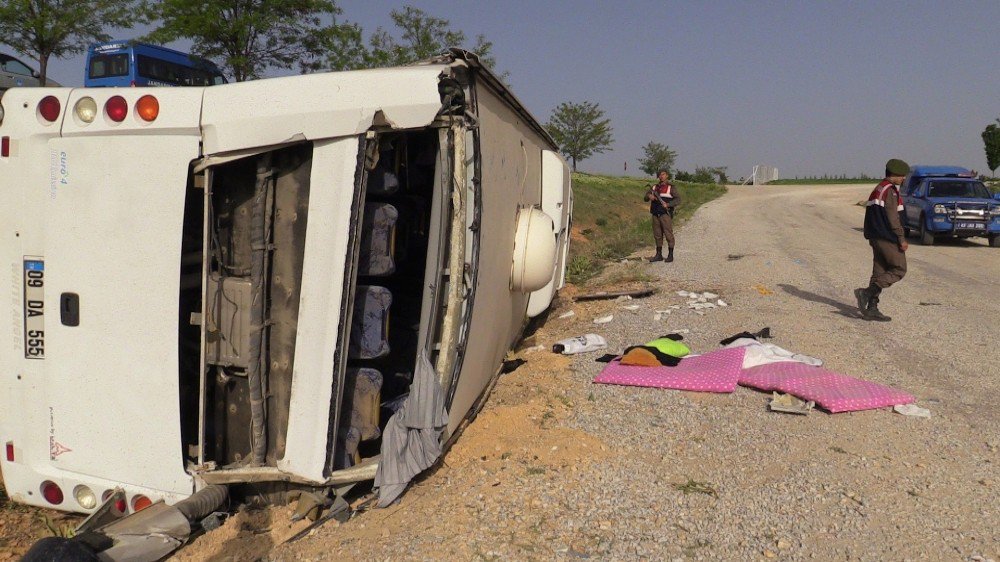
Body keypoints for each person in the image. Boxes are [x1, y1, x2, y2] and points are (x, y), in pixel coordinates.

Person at [855, 158, 909, 321]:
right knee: (899, 269)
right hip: (887, 237)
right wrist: (901, 238)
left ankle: (872, 307)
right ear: (894, 174)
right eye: (902, 176)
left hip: (876, 236)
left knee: (879, 272)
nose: (904, 179)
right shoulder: (890, 191)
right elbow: (893, 218)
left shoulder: (879, 188)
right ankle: (866, 293)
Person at [644, 169, 681, 262]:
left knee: (668, 234)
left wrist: (668, 205)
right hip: (655, 213)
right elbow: (645, 198)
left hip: (665, 214)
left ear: (667, 175)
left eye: (663, 174)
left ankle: (670, 255)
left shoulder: (671, 187)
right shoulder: (654, 187)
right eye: (659, 175)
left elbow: (678, 200)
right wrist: (649, 196)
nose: (661, 176)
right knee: (657, 235)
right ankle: (658, 254)